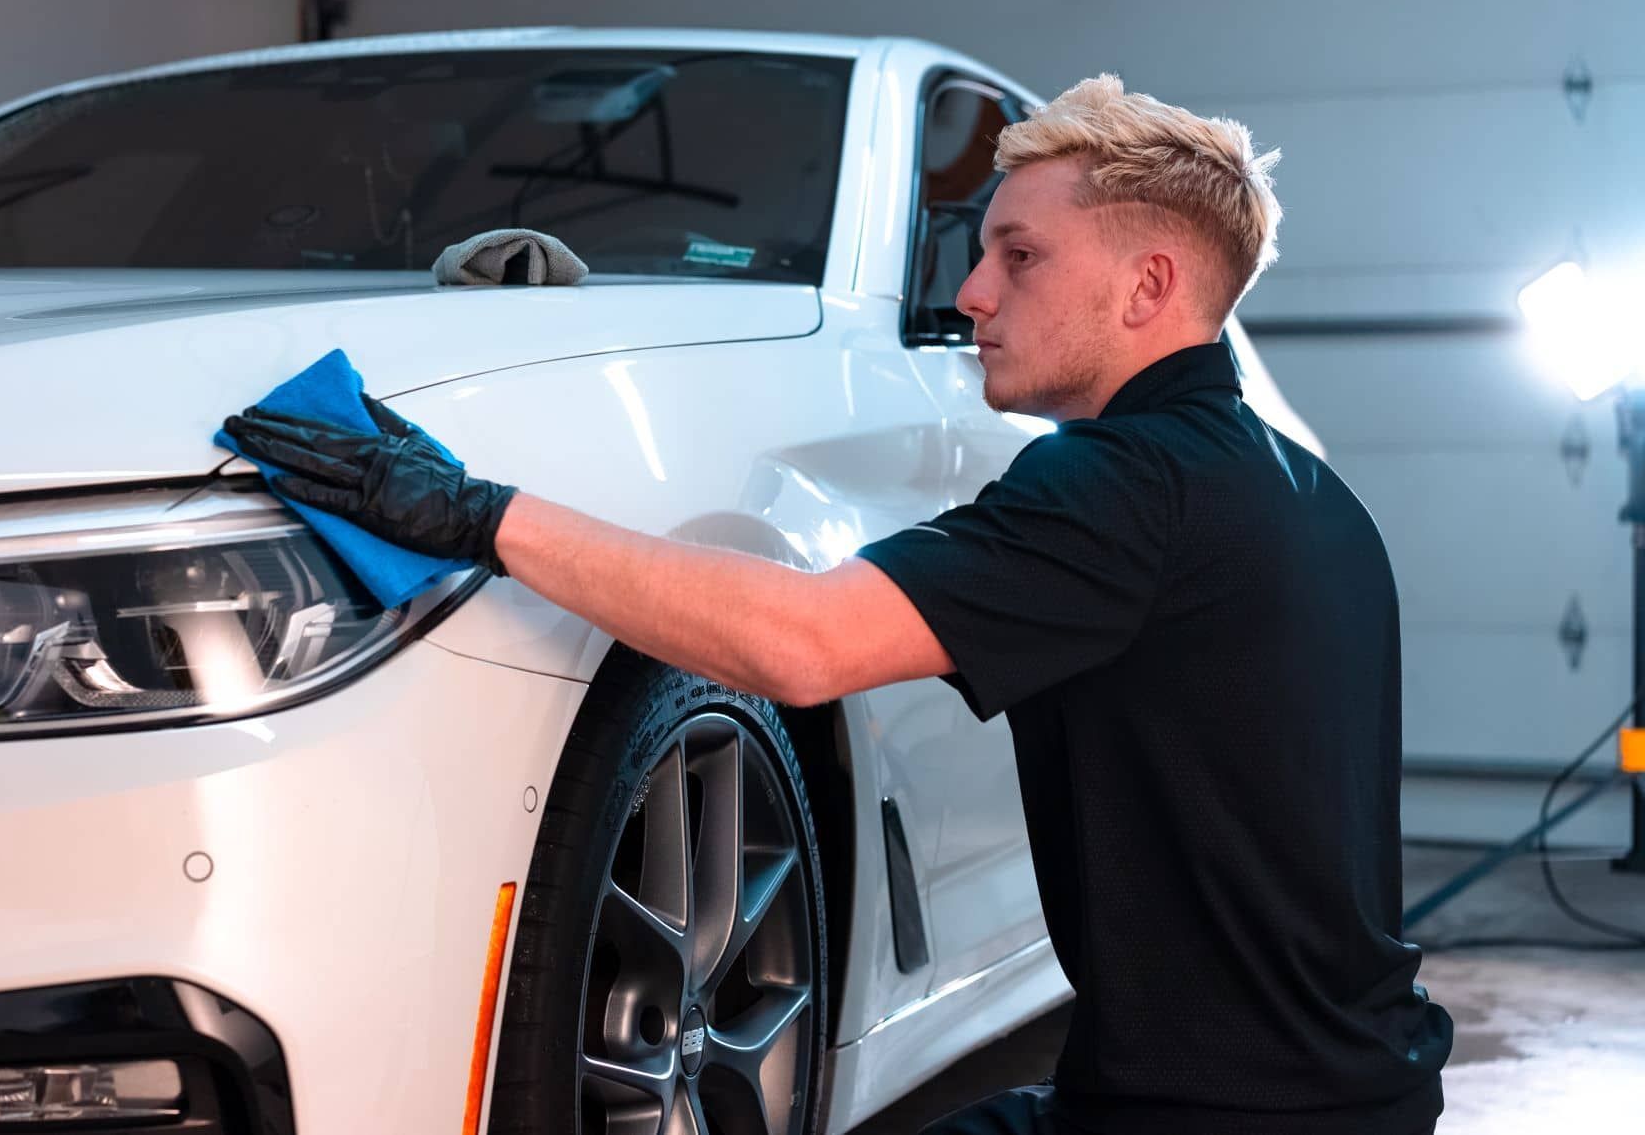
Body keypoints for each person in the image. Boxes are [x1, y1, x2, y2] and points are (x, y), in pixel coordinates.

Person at [223, 75, 1452, 1134]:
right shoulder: (1307, 494)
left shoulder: (1130, 485)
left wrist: (469, 510)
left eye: (1019, 256)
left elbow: (799, 644)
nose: (972, 294)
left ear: (1149, 287)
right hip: (1333, 1092)